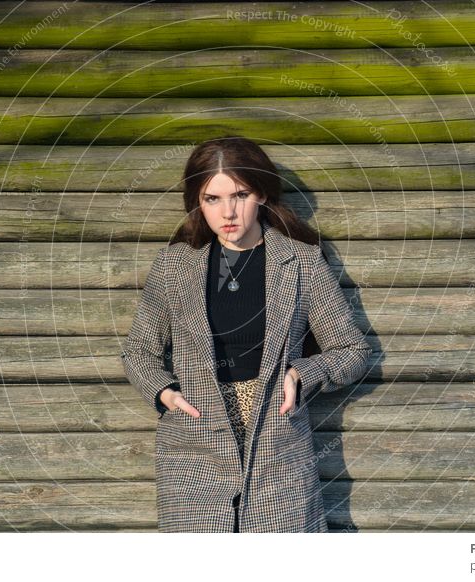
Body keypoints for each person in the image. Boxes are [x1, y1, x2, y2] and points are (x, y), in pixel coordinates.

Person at [121, 135, 372, 532]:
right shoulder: (174, 265)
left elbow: (352, 349)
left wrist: (300, 375)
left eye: (240, 194)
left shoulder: (301, 262)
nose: (228, 212)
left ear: (263, 195)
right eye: (212, 199)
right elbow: (138, 351)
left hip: (278, 444)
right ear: (197, 203)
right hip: (193, 445)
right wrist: (166, 394)